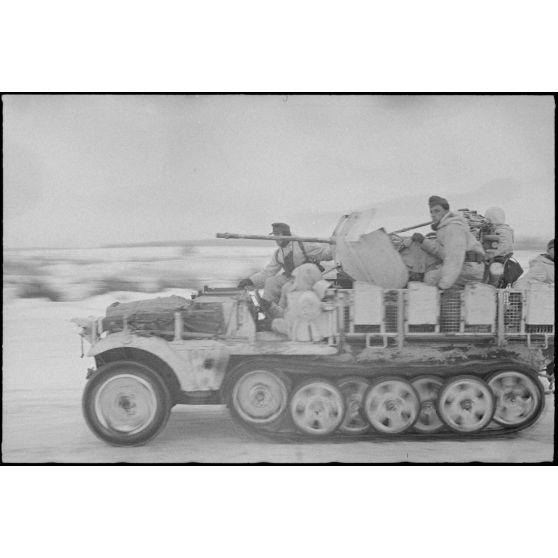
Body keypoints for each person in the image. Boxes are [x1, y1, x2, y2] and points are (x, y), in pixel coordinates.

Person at [237, 222, 333, 307]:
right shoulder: (278, 254)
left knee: (287, 288)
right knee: (271, 282)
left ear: (286, 235)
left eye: (278, 235)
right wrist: (250, 280)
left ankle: (282, 312)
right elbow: (267, 272)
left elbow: (324, 254)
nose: (276, 239)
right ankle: (268, 310)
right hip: (291, 279)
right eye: (274, 235)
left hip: (306, 279)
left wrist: (336, 247)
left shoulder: (303, 245)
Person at [411, 195, 486, 290]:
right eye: (431, 212)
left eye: (437, 211)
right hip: (468, 266)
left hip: (468, 267)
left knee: (431, 278)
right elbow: (443, 252)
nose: (433, 214)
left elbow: (454, 258)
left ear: (446, 211)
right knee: (433, 273)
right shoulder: (445, 227)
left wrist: (443, 285)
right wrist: (424, 241)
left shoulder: (453, 227)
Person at [271, 263, 333, 341]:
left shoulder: (293, 293)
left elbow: (288, 312)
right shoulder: (309, 294)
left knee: (275, 323)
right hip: (305, 331)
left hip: (300, 330)